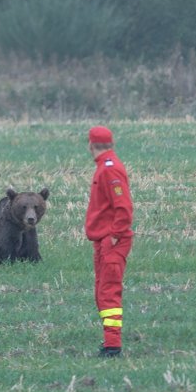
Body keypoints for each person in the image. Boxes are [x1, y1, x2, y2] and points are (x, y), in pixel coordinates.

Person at [84, 125, 134, 357]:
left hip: (111, 241)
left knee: (109, 293)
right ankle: (109, 342)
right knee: (102, 291)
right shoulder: (105, 166)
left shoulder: (109, 169)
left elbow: (123, 207)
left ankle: (113, 346)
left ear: (90, 144)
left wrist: (115, 234)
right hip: (104, 240)